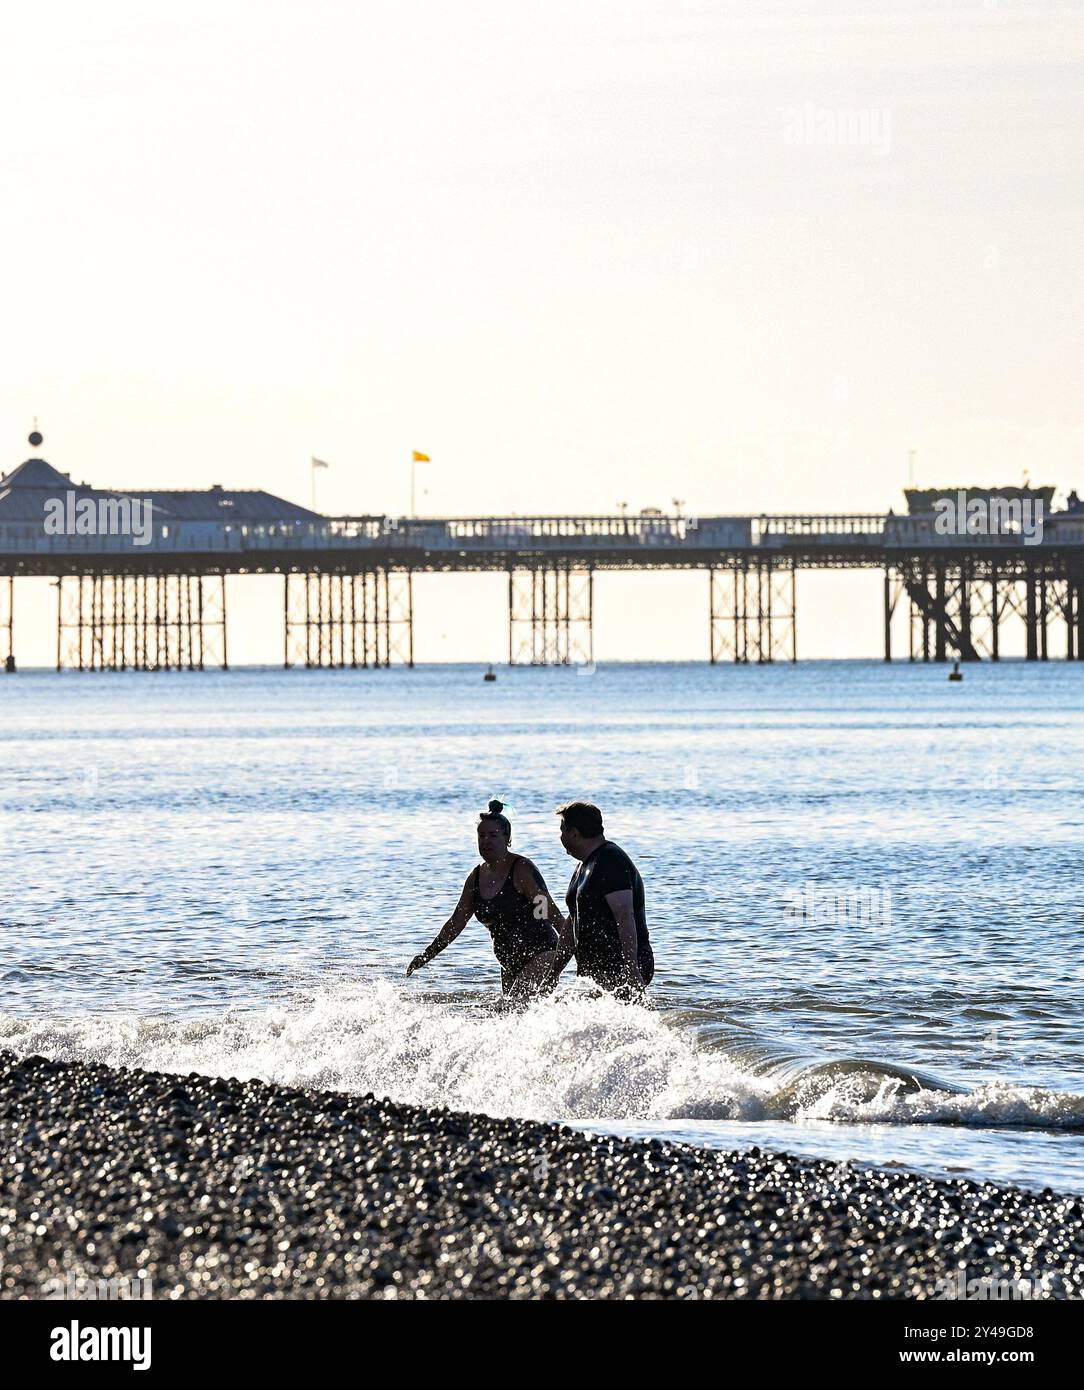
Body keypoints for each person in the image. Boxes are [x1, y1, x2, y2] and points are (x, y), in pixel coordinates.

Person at [406, 800, 566, 999]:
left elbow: (549, 912)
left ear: (507, 838)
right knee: (512, 1020)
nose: (486, 841)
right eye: (481, 836)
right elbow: (455, 923)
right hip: (508, 963)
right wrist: (427, 955)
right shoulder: (475, 878)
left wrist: (575, 950)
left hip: (543, 955)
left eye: (493, 835)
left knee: (512, 1009)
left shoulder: (521, 869)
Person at [552, 801, 654, 999]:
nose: (560, 837)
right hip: (595, 970)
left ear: (574, 833)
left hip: (621, 966)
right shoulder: (583, 867)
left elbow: (624, 916)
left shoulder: (611, 861)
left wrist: (631, 968)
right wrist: (555, 970)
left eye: (562, 830)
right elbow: (573, 920)